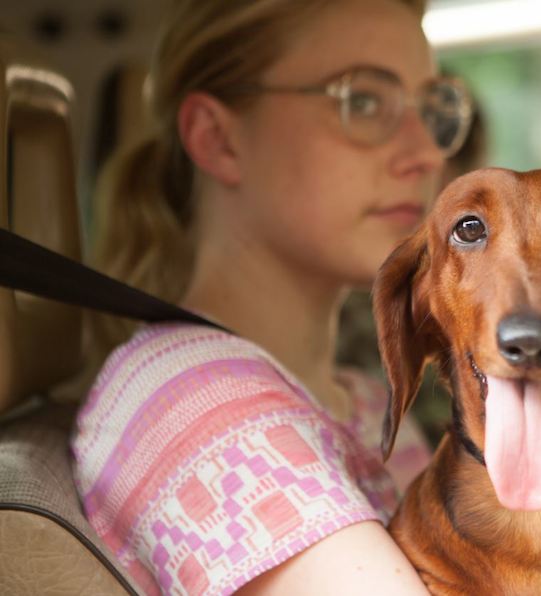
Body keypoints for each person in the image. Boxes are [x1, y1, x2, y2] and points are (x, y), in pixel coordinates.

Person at [71, 0, 473, 593]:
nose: (427, 155)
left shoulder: (359, 399)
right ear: (218, 140)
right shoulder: (193, 399)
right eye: (362, 100)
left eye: (432, 108)